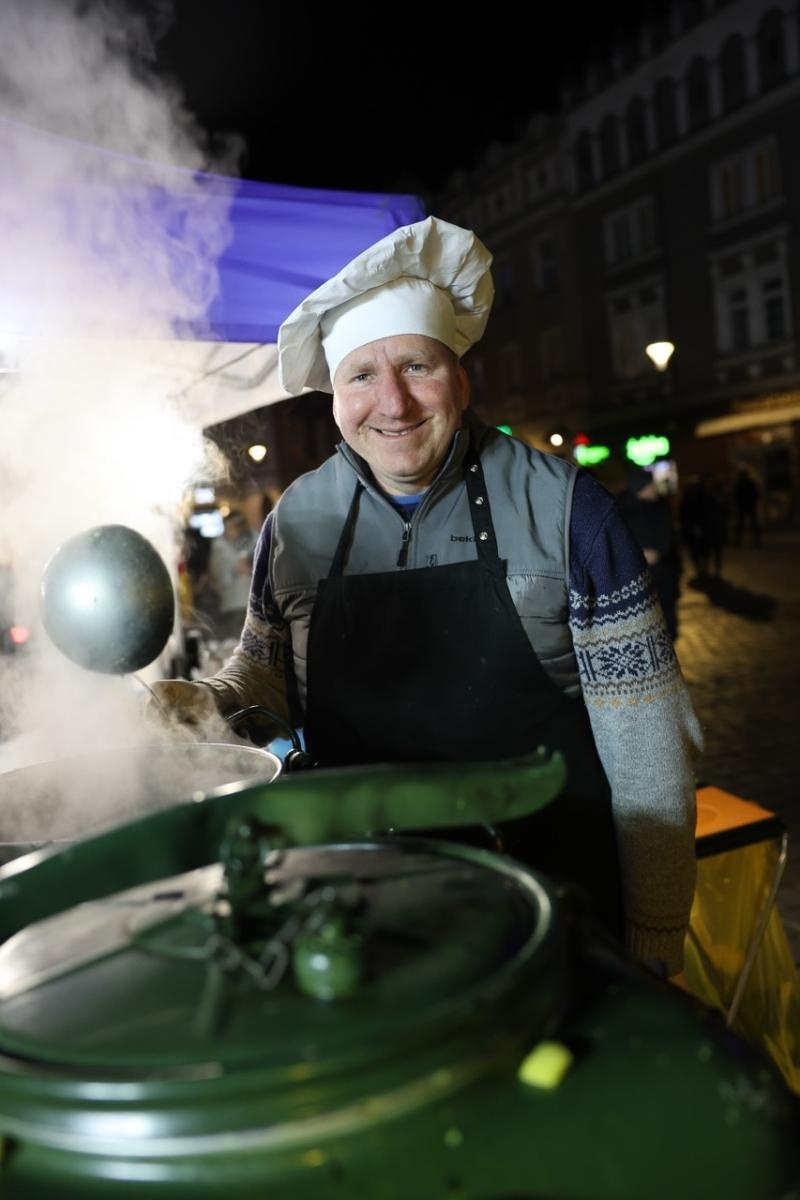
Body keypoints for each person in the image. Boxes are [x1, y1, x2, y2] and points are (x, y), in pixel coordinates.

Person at [149, 216, 702, 981]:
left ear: (460, 376)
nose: (394, 404)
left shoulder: (566, 508)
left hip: (555, 913)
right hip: (360, 921)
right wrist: (203, 702)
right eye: (362, 377)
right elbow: (264, 675)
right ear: (335, 396)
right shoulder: (296, 522)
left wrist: (655, 933)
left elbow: (650, 756)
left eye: (417, 366)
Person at [617, 466, 683, 640]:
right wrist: (638, 554)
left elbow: (671, 542)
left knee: (669, 629)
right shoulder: (621, 512)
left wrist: (663, 555)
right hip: (638, 582)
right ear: (640, 487)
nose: (654, 487)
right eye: (650, 484)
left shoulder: (661, 508)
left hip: (665, 577)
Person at [204, 510, 258, 640]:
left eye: (231, 528)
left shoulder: (254, 539)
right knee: (235, 640)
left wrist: (251, 568)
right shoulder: (219, 545)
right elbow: (215, 573)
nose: (228, 531)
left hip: (253, 602)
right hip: (232, 603)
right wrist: (234, 570)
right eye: (226, 528)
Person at [733, 466, 761, 547]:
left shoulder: (741, 484)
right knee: (751, 524)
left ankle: (739, 542)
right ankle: (756, 542)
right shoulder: (748, 483)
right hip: (748, 506)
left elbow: (736, 496)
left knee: (742, 525)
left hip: (745, 506)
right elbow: (756, 494)